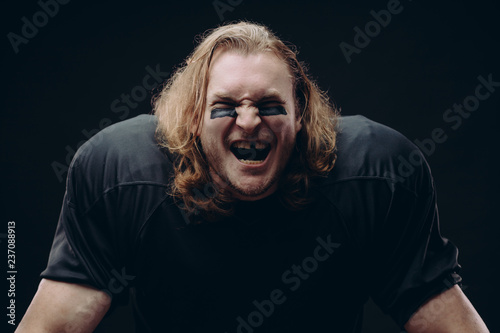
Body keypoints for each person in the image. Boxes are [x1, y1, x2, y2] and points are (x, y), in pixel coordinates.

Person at [17, 21, 489, 333]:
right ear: (192, 117)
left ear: (300, 116)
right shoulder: (123, 177)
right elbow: (51, 328)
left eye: (268, 105)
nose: (248, 122)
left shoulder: (375, 177)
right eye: (225, 106)